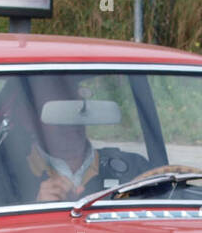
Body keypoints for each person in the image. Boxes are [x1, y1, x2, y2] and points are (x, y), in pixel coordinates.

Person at [21, 79, 151, 202]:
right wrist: (38, 206)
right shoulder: (9, 176)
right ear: (30, 121)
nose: (70, 120)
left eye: (76, 108)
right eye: (57, 111)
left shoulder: (135, 168)